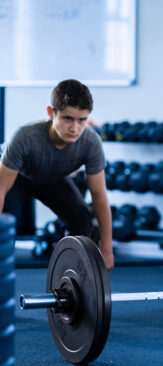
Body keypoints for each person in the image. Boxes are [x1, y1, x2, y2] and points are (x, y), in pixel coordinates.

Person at [0, 79, 114, 270]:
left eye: (82, 120)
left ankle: (71, 279)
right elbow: (1, 188)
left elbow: (99, 196)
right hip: (16, 176)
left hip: (51, 178)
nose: (75, 128)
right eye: (67, 118)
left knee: (81, 220)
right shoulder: (25, 137)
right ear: (51, 113)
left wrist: (107, 249)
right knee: (7, 226)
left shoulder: (91, 142)